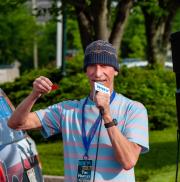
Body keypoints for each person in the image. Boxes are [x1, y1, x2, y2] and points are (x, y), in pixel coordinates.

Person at [8, 40, 149, 182]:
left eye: (104, 65)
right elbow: (16, 123)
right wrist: (34, 95)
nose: (98, 73)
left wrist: (107, 115)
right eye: (92, 66)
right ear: (86, 71)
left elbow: (129, 161)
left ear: (116, 71)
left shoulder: (134, 109)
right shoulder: (67, 110)